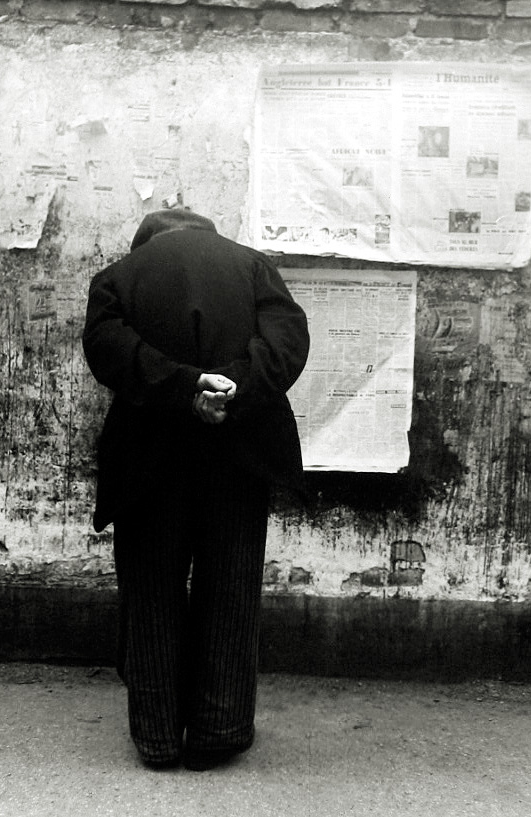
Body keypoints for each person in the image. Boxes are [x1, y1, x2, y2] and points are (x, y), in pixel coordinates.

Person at [82, 207, 310, 771]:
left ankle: (158, 735)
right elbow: (287, 342)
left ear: (148, 240)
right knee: (230, 588)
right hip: (240, 453)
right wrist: (231, 388)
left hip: (147, 455)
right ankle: (219, 731)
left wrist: (185, 387)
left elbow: (108, 348)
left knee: (151, 589)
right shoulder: (254, 266)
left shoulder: (118, 275)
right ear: (207, 233)